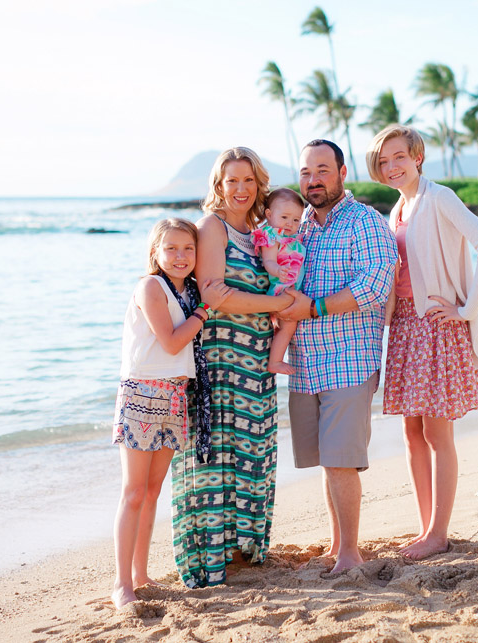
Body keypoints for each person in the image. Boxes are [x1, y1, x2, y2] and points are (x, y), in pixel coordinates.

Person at [366, 124, 478, 560]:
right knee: (411, 432)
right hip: (405, 327)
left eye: (399, 158)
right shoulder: (398, 209)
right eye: (383, 161)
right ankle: (426, 528)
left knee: (436, 431)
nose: (392, 167)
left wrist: (466, 310)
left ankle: (438, 533)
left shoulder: (439, 197)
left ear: (417, 157)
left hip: (435, 326)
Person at [171, 147, 294, 588]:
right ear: (218, 186)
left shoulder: (262, 232)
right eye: (231, 181)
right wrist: (277, 302)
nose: (240, 189)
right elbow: (214, 293)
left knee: (252, 446)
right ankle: (212, 553)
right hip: (220, 360)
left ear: (259, 184)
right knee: (216, 450)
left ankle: (245, 547)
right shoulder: (212, 227)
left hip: (257, 361)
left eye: (248, 181)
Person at [279, 139, 398, 574]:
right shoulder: (299, 225)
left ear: (342, 173)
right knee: (327, 463)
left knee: (342, 460)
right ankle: (336, 543)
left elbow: (374, 286)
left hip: (349, 360)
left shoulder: (365, 221)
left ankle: (351, 552)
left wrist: (314, 307)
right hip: (305, 363)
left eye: (322, 170)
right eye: (306, 172)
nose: (313, 180)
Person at [111, 217, 231, 609]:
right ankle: (121, 584)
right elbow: (171, 341)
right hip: (143, 394)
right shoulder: (151, 287)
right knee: (132, 492)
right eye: (172, 249)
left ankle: (142, 574)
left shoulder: (190, 291)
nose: (181, 257)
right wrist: (204, 313)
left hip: (175, 396)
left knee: (152, 491)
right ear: (155, 253)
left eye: (188, 249)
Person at [251, 187, 307, 375]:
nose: (290, 223)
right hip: (279, 288)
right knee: (288, 326)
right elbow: (268, 261)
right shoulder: (271, 236)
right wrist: (278, 271)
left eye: (296, 219)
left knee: (284, 327)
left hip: (289, 288)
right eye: (285, 217)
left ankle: (274, 356)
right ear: (269, 214)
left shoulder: (291, 238)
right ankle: (275, 362)